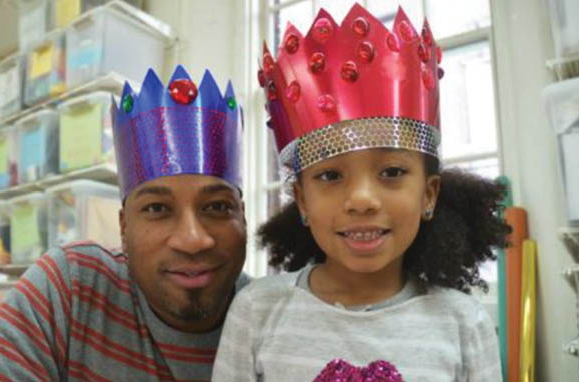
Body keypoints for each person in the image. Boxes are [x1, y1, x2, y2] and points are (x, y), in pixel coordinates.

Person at [212, 4, 509, 382]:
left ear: (429, 194)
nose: (362, 199)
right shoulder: (257, 311)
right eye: (331, 175)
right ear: (302, 200)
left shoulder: (464, 323)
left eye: (392, 172)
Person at [0, 65, 249, 382]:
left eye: (217, 206)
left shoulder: (275, 317)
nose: (192, 239)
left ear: (243, 216)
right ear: (123, 227)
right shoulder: (73, 287)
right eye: (157, 208)